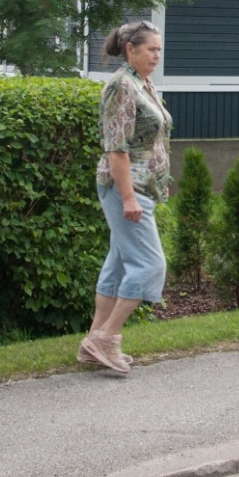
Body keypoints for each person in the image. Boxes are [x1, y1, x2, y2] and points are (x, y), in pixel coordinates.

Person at [79, 20, 172, 376]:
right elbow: (116, 148)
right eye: (151, 50)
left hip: (141, 187)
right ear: (131, 50)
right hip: (126, 189)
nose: (157, 56)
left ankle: (92, 342)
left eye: (159, 50)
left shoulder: (142, 84)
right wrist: (129, 198)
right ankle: (107, 338)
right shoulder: (121, 87)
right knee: (150, 265)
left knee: (118, 264)